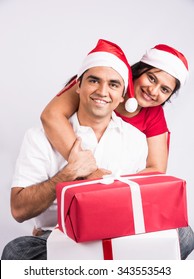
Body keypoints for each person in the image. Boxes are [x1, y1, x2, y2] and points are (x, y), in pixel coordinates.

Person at [1, 39, 148, 260]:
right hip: (60, 238)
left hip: (118, 237)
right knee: (16, 252)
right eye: (93, 80)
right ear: (77, 86)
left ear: (122, 95)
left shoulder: (136, 139)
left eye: (113, 84)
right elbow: (19, 211)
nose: (102, 91)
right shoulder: (38, 137)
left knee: (183, 235)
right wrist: (68, 175)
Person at [40, 43, 189, 174]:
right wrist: (88, 171)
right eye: (151, 78)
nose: (153, 91)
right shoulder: (97, 81)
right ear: (138, 70)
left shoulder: (154, 114)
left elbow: (156, 169)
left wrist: (115, 188)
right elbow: (51, 115)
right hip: (63, 172)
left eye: (164, 90)